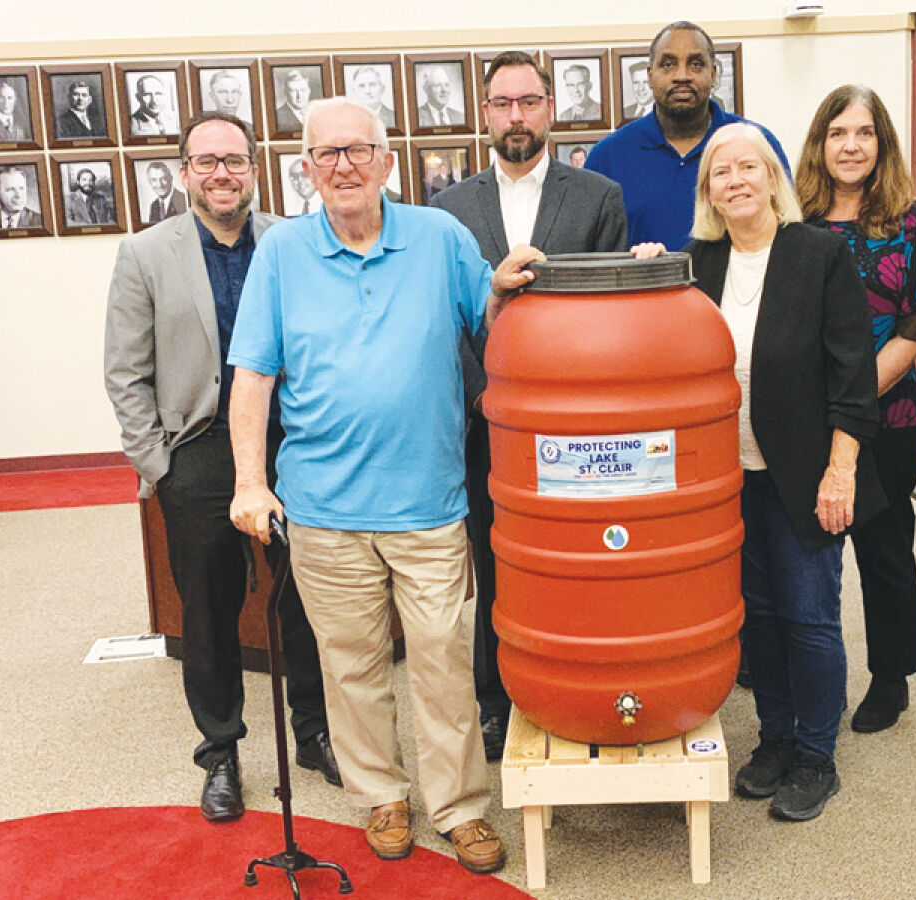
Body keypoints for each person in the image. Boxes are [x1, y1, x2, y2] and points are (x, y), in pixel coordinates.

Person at [227, 96, 539, 872]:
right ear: (305, 169)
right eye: (327, 154)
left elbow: (492, 326)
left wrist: (502, 289)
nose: (344, 166)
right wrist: (248, 483)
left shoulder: (438, 236)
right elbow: (252, 377)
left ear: (387, 161)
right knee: (352, 664)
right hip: (324, 510)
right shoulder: (283, 254)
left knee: (443, 661)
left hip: (429, 506)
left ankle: (460, 807)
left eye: (359, 150)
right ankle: (382, 796)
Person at [104, 111, 341, 824]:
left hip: (290, 442)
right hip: (198, 451)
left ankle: (314, 732)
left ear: (254, 169)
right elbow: (125, 373)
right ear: (183, 173)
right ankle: (221, 752)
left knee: (308, 597)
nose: (221, 174)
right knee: (207, 610)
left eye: (234, 160)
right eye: (206, 161)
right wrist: (159, 466)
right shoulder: (145, 255)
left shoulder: (295, 242)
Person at [643, 122, 881, 822]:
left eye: (750, 166)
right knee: (761, 618)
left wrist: (842, 472)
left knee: (810, 616)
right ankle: (774, 740)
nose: (737, 180)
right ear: (708, 192)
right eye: (722, 172)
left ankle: (816, 754)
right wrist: (651, 264)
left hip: (804, 472)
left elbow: (854, 377)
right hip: (725, 479)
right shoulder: (700, 262)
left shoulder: (817, 255)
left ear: (773, 177)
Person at [432, 50, 628, 761]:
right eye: (503, 103)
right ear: (484, 114)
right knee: (495, 564)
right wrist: (486, 399)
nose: (517, 116)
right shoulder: (447, 209)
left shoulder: (599, 196)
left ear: (550, 108)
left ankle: (581, 681)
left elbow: (607, 320)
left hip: (574, 433)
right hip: (486, 427)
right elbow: (446, 324)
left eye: (529, 101)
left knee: (577, 563)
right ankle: (493, 697)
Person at [796, 85, 916, 734]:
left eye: (863, 133)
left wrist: (852, 403)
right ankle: (805, 674)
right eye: (837, 133)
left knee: (884, 550)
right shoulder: (792, 221)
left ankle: (891, 678)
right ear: (819, 144)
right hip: (808, 421)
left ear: (881, 143)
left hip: (890, 419)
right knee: (807, 552)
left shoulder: (914, 221)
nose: (850, 146)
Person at [586, 21, 788, 251]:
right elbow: (590, 248)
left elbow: (788, 230)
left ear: (713, 74)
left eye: (696, 64)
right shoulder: (608, 156)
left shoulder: (757, 145)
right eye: (668, 64)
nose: (682, 76)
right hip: (643, 287)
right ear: (650, 76)